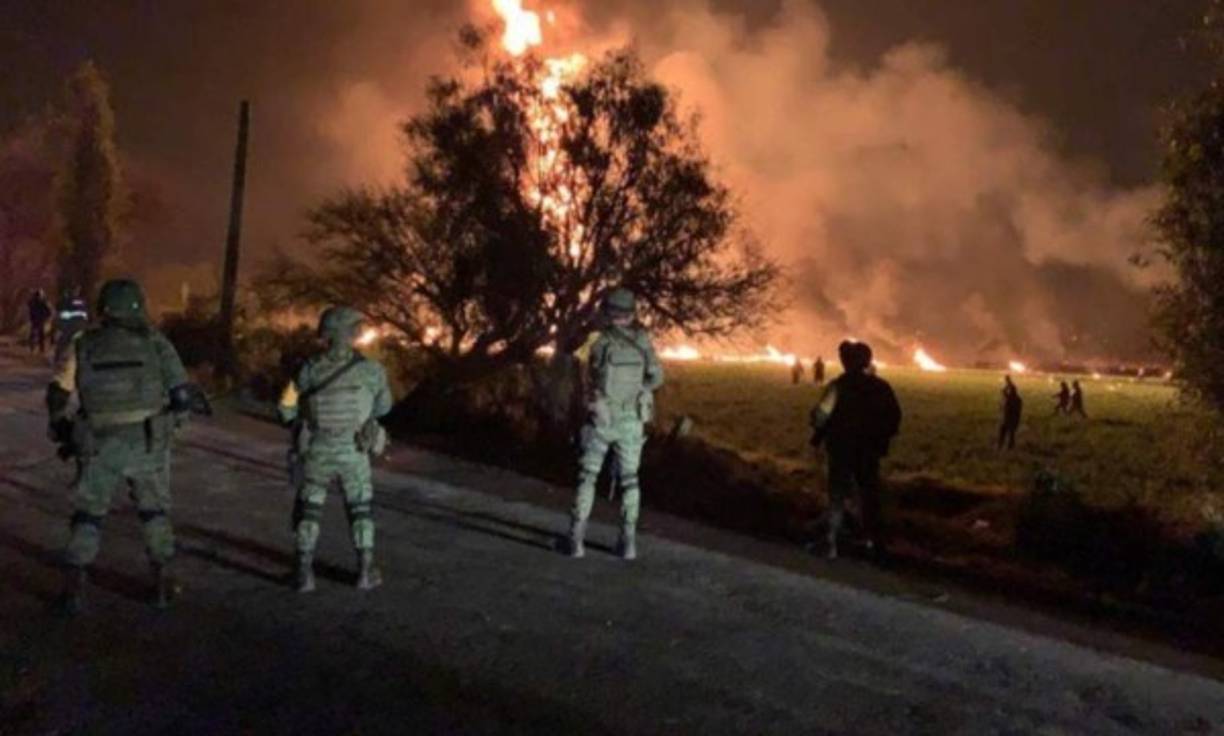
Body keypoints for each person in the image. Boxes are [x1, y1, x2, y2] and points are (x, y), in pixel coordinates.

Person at [45, 279, 203, 613]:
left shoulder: (83, 343)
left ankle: (74, 589)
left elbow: (58, 393)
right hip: (147, 443)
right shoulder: (156, 343)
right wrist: (172, 426)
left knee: (88, 514)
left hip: (98, 443)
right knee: (154, 512)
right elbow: (182, 395)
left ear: (104, 308)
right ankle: (162, 583)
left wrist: (61, 429)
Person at [278, 306, 393, 593]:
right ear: (351, 334)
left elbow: (285, 405)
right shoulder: (372, 371)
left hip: (318, 450)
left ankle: (303, 574)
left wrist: (298, 423)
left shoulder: (308, 369)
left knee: (310, 510)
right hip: (355, 451)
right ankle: (365, 571)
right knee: (360, 509)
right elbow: (384, 406)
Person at [568, 288, 664, 560]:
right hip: (631, 420)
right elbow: (657, 378)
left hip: (602, 417)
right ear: (631, 313)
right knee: (630, 481)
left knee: (587, 476)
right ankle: (628, 544)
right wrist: (638, 391)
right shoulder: (642, 340)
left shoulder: (596, 339)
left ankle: (575, 541)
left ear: (607, 312)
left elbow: (578, 369)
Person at [809, 340, 901, 561]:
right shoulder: (881, 388)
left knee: (838, 494)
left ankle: (834, 542)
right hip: (868, 451)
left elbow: (819, 417)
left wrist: (819, 431)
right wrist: (880, 440)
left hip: (840, 449)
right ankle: (876, 544)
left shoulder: (838, 388)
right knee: (869, 494)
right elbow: (894, 418)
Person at [53, 287, 90, 364]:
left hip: (69, 326)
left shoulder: (66, 301)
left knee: (63, 342)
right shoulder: (82, 301)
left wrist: (59, 325)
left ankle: (58, 359)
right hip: (80, 325)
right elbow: (86, 314)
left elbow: (60, 312)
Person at [998, 375, 1023, 450]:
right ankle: (1009, 447)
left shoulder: (1010, 398)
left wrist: (1008, 382)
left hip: (1009, 418)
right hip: (1014, 419)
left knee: (1004, 432)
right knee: (1010, 433)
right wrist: (1009, 383)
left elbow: (1003, 391)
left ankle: (1002, 446)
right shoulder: (1018, 399)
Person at [26, 288, 52, 354]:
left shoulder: (42, 302)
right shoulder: (38, 302)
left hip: (38, 319)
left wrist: (46, 317)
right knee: (37, 334)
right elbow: (49, 311)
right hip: (37, 319)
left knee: (38, 334)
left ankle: (38, 348)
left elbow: (49, 311)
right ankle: (36, 348)